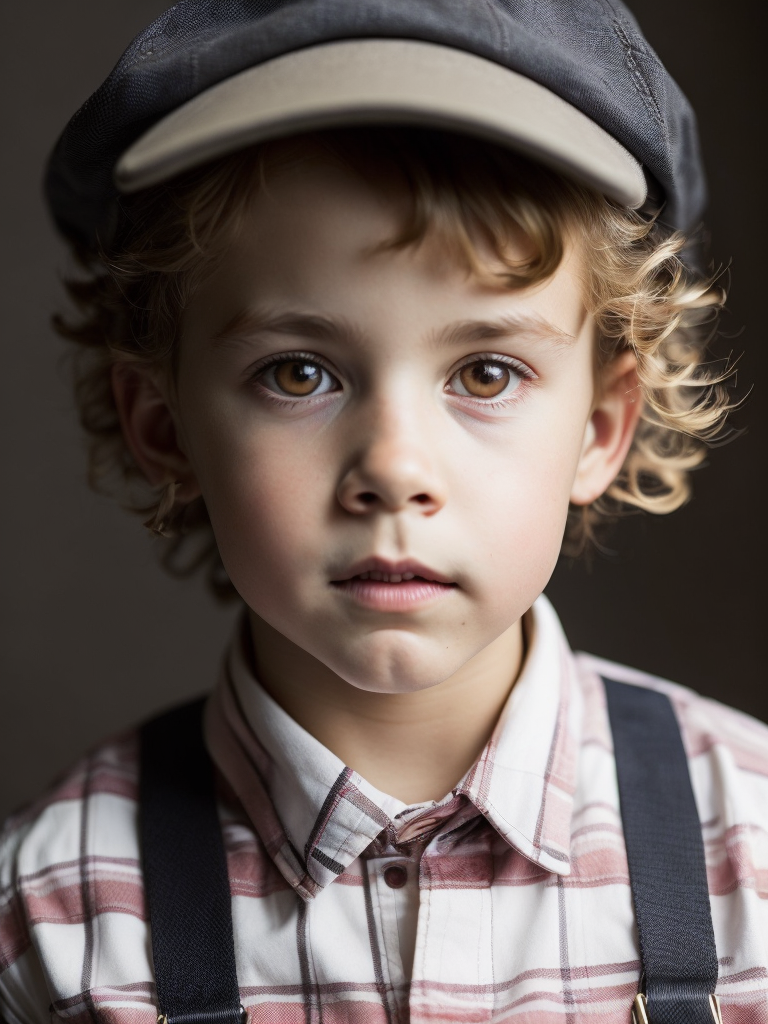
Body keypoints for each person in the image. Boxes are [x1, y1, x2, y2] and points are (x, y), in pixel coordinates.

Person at [1, 1, 766, 1022]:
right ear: (164, 423)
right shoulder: (52, 921)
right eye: (299, 371)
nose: (394, 468)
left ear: (601, 426)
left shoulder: (752, 852)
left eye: (486, 371)